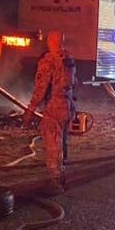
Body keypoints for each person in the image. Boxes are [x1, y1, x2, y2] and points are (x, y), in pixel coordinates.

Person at [25, 30, 76, 193]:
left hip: (54, 106)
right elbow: (75, 83)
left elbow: (41, 88)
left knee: (53, 144)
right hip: (67, 105)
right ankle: (62, 176)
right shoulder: (69, 59)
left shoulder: (48, 61)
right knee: (62, 142)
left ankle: (55, 182)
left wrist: (30, 109)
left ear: (50, 41)